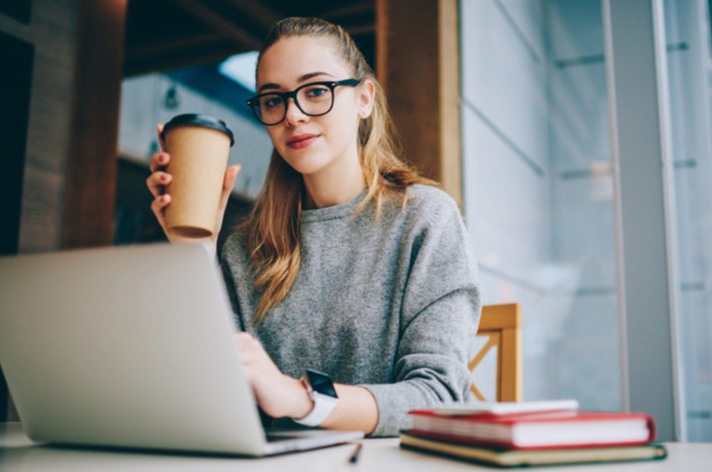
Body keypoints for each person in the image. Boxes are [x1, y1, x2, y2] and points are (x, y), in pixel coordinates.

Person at [145, 17, 480, 437]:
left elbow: (437, 397)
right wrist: (193, 249)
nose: (293, 115)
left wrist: (301, 397)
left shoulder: (424, 219)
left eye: (316, 91)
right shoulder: (243, 248)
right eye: (273, 100)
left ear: (364, 99)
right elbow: (214, 397)